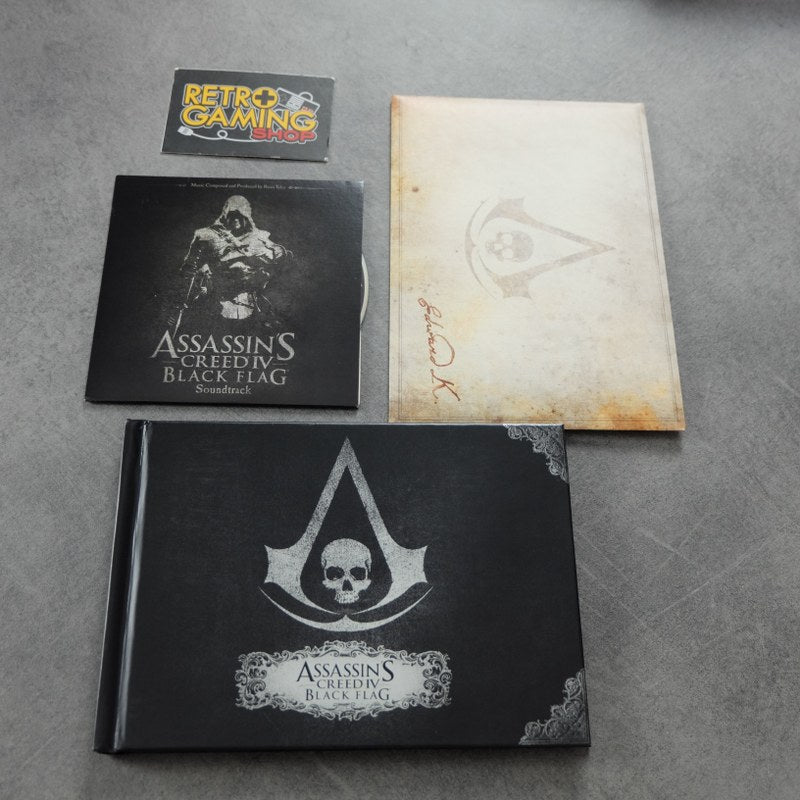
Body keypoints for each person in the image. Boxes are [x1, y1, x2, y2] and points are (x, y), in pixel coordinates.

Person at [173, 195, 289, 331]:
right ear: (225, 215)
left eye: (240, 216)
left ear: (247, 217)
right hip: (216, 301)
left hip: (250, 302)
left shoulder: (259, 237)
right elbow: (189, 269)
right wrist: (181, 300)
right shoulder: (206, 235)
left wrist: (273, 252)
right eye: (232, 215)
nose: (236, 220)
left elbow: (281, 255)